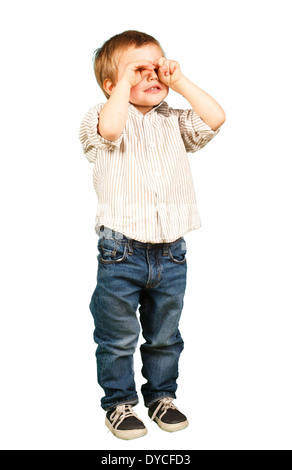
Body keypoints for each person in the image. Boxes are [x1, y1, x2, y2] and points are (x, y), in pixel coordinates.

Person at [79, 30, 225, 440]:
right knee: (117, 336)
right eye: (137, 70)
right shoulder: (102, 116)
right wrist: (122, 89)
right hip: (120, 250)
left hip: (172, 252)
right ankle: (120, 404)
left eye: (156, 66)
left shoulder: (174, 120)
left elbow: (215, 117)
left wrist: (178, 81)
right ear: (111, 85)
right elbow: (110, 130)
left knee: (165, 334)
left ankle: (162, 396)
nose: (152, 75)